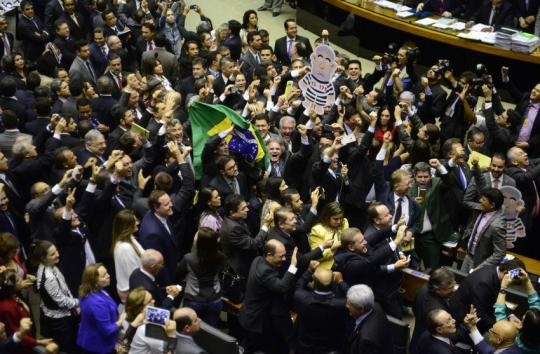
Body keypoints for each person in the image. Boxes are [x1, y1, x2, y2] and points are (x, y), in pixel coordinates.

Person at [239, 239, 298, 354]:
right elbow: (282, 287)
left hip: (248, 314)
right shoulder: (265, 271)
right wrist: (292, 266)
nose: (284, 259)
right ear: (269, 255)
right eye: (281, 256)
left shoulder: (258, 260)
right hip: (255, 320)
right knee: (255, 348)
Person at [33, 240, 79, 354]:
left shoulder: (51, 265)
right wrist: (80, 302)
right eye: (52, 254)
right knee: (66, 349)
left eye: (56, 251)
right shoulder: (49, 278)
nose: (57, 254)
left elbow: (64, 287)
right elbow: (61, 301)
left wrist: (74, 304)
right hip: (59, 321)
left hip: (64, 313)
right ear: (43, 258)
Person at [293, 263, 349, 354]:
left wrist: (309, 271)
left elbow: (299, 285)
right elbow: (354, 298)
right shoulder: (341, 304)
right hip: (330, 346)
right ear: (333, 284)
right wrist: (341, 281)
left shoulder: (301, 298)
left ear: (313, 283)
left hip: (306, 345)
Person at [176, 227, 225, 327]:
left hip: (194, 300)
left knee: (191, 328)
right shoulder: (221, 257)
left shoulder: (189, 258)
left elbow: (178, 274)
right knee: (210, 331)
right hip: (215, 299)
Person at [77, 263, 125, 354]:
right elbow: (108, 330)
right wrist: (121, 319)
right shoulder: (96, 302)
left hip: (90, 338)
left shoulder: (95, 290)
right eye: (104, 276)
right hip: (98, 346)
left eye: (107, 273)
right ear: (94, 282)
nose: (108, 276)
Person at [410, 268, 457, 354]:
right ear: (438, 290)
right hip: (431, 346)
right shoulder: (438, 312)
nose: (453, 289)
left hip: (419, 337)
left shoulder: (424, 288)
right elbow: (446, 331)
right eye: (450, 288)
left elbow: (414, 309)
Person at [494, 267, 540, 354]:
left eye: (523, 318)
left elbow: (500, 318)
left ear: (523, 326)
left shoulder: (514, 341)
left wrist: (502, 288)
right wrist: (527, 281)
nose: (522, 316)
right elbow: (535, 302)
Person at [461, 188, 506, 273]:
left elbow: (499, 253)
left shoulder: (497, 226)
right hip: (468, 256)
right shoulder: (481, 209)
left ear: (492, 205)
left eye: (483, 200)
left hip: (480, 264)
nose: (480, 200)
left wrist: (481, 267)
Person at [346, 284, 394, 354]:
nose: (346, 306)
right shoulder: (376, 305)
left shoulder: (367, 341)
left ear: (361, 309)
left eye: (350, 304)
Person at [112, 209, 144, 302]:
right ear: (127, 226)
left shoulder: (130, 238)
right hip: (133, 292)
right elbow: (133, 274)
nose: (138, 223)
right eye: (135, 221)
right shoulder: (125, 248)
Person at [309, 202, 349, 269]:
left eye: (340, 218)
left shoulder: (344, 222)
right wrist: (333, 248)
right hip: (329, 265)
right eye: (335, 219)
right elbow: (315, 257)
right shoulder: (317, 230)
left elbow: (348, 240)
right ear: (327, 217)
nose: (339, 222)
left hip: (345, 259)